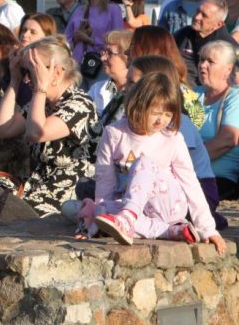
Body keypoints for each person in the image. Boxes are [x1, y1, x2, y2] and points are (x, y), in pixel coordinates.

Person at [86, 72, 226, 254]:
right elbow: (105, 178)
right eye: (155, 113)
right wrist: (101, 215)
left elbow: (190, 183)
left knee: (144, 163)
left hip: (167, 205)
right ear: (138, 106)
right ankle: (169, 231)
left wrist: (207, 228)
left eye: (168, 114)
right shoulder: (114, 133)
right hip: (135, 207)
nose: (162, 120)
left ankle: (128, 219)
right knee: (93, 209)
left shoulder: (172, 138)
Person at [0, 37, 98, 216]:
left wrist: (40, 87)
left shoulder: (80, 105)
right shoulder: (45, 104)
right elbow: (1, 129)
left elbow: (36, 133)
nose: (28, 80)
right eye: (25, 71)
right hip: (34, 187)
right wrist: (14, 81)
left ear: (57, 72)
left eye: (32, 71)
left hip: (66, 197)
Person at [195, 41, 239, 200]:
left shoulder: (235, 97)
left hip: (218, 180)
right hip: (187, 176)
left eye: (210, 61)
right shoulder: (193, 95)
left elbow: (228, 139)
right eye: (201, 60)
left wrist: (186, 162)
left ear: (228, 69)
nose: (203, 65)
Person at [64, 0, 124, 65]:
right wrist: (77, 37)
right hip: (77, 62)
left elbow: (118, 41)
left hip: (101, 63)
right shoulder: (80, 10)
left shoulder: (113, 9)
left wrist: (89, 40)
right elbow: (65, 38)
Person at [174, 0, 238, 86]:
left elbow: (235, 82)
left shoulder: (228, 48)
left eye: (204, 15)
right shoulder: (183, 34)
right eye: (197, 11)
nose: (197, 17)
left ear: (218, 24)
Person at [88, 29, 134, 116]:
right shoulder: (97, 88)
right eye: (104, 52)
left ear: (127, 57)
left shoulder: (139, 94)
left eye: (109, 53)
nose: (102, 58)